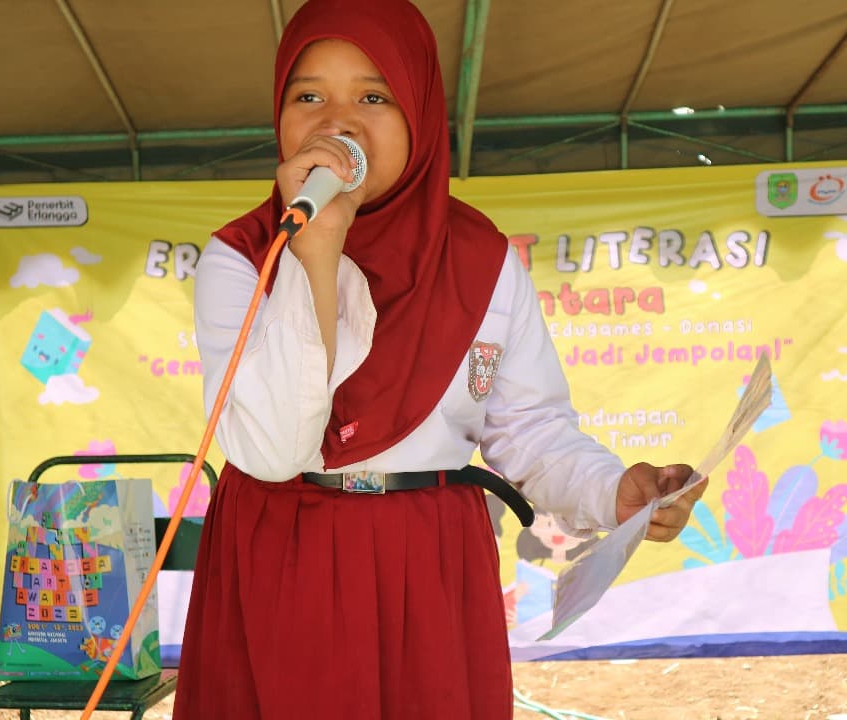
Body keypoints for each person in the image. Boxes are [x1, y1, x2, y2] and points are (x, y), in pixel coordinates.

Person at [173, 1, 705, 717]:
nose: (338, 121)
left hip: (431, 561)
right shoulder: (243, 257)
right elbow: (270, 449)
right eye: (309, 96)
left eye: (373, 95)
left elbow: (530, 429)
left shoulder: (480, 259)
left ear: (420, 110)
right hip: (283, 554)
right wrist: (314, 256)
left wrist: (617, 492)